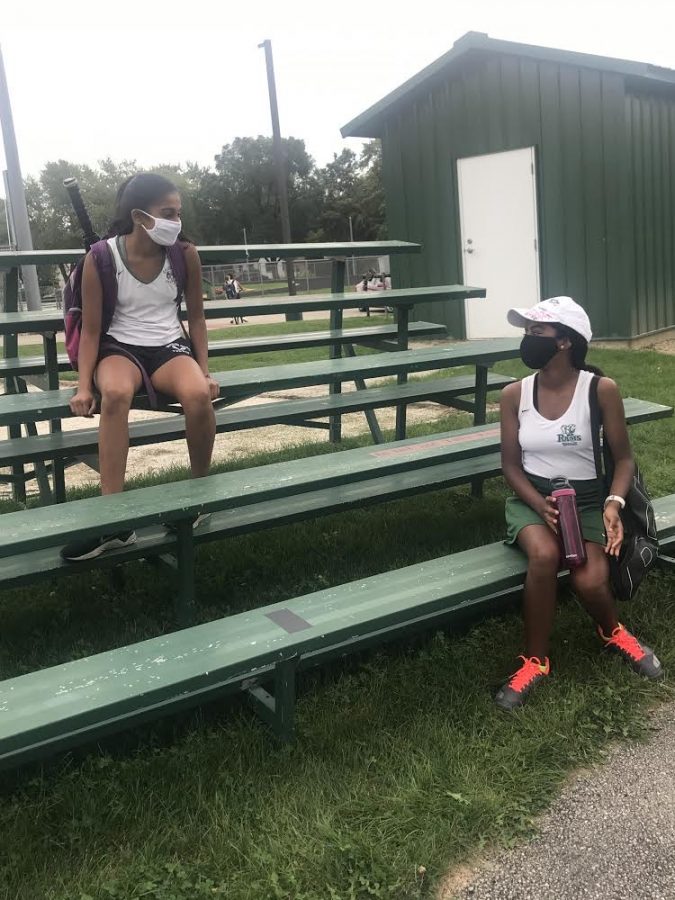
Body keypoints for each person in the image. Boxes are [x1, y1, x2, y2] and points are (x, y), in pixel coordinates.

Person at [496, 296, 663, 710]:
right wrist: (538, 504)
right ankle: (534, 661)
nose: (528, 339)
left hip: (590, 499)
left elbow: (623, 459)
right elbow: (510, 467)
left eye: (538, 331)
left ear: (565, 341)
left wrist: (613, 503)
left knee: (588, 580)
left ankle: (612, 632)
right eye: (527, 332)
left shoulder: (600, 389)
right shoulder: (514, 394)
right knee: (545, 555)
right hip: (533, 497)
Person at [61, 173, 219, 562]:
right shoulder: (100, 257)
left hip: (168, 345)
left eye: (178, 213)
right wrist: (84, 386)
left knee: (198, 395)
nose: (176, 222)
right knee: (115, 393)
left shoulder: (185, 255)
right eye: (168, 213)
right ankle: (114, 521)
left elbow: (196, 319)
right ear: (139, 216)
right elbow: (93, 328)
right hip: (119, 347)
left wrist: (205, 370)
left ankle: (198, 497)